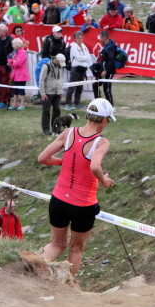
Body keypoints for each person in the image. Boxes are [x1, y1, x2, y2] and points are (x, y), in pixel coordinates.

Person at [38, 98, 115, 275]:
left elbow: (42, 158)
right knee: (76, 249)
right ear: (104, 120)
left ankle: (33, 269)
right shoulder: (101, 142)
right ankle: (69, 286)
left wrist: (63, 161)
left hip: (58, 199)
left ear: (88, 115)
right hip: (82, 205)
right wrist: (103, 180)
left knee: (56, 244)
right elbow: (94, 166)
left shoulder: (68, 132)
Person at [40, 54, 66, 135]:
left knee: (57, 111)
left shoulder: (60, 67)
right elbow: (41, 80)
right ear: (56, 60)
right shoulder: (46, 66)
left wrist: (61, 90)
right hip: (48, 93)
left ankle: (55, 128)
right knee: (46, 111)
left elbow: (61, 78)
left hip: (57, 93)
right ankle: (46, 129)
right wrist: (42, 93)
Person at [66, 31, 92, 110]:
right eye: (78, 38)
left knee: (80, 86)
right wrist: (84, 58)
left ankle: (77, 103)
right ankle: (68, 103)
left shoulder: (84, 46)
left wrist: (84, 58)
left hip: (83, 68)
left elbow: (88, 56)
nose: (80, 39)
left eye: (81, 38)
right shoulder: (73, 47)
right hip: (75, 68)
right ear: (75, 39)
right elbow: (78, 57)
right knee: (72, 86)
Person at [92, 30, 117, 106]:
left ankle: (111, 107)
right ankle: (98, 104)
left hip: (108, 71)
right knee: (95, 85)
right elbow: (106, 58)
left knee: (107, 89)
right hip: (103, 70)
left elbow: (111, 60)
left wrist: (106, 70)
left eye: (100, 37)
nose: (99, 38)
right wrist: (102, 52)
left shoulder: (110, 47)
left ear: (104, 37)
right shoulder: (106, 46)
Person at [7, 38, 28, 110]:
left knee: (21, 90)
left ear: (16, 44)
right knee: (15, 90)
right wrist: (12, 62)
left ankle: (22, 104)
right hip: (15, 74)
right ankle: (15, 104)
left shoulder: (22, 52)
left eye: (13, 44)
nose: (12, 46)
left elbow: (18, 63)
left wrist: (12, 64)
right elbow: (10, 59)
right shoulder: (14, 52)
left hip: (21, 75)